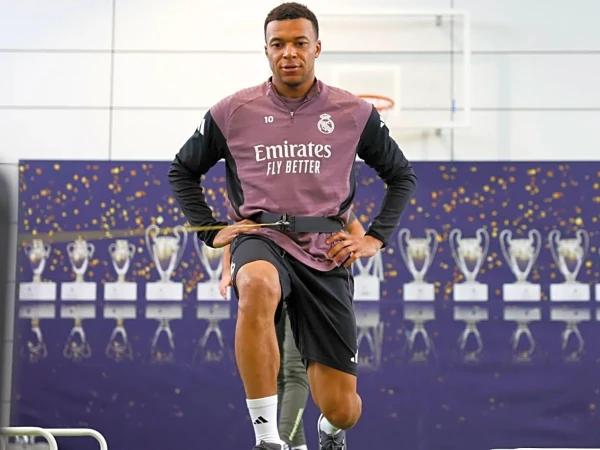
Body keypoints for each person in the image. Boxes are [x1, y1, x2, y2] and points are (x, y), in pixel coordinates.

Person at [167, 2, 417, 449]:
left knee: (343, 408)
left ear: (317, 48)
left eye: (300, 43)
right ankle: (268, 438)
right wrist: (209, 229)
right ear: (265, 50)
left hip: (326, 251)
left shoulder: (353, 111)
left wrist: (375, 238)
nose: (289, 53)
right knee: (257, 284)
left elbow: (401, 175)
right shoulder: (233, 110)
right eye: (278, 44)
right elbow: (182, 170)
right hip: (261, 236)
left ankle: (329, 429)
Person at [218, 211, 366, 450]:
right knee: (272, 373)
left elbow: (357, 230)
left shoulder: (327, 200)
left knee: (298, 375)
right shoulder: (258, 197)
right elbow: (239, 229)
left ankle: (288, 438)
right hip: (271, 282)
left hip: (309, 287)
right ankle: (290, 444)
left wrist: (340, 255)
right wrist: (227, 271)